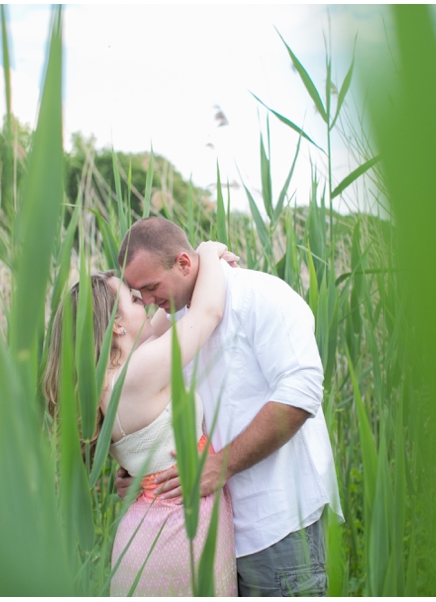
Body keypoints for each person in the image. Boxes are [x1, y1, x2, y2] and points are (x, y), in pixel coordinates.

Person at [116, 217, 343, 597]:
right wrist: (140, 470)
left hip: (274, 526)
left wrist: (220, 466)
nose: (150, 301)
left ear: (184, 264)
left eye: (153, 287)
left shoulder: (262, 295)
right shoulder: (177, 320)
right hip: (208, 534)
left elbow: (301, 392)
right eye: (140, 294)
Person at [41, 241, 238, 597]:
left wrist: (184, 272)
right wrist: (207, 253)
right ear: (117, 325)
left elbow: (172, 308)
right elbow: (207, 312)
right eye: (135, 300)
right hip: (177, 530)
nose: (147, 303)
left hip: (154, 525)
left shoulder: (109, 381)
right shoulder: (136, 374)